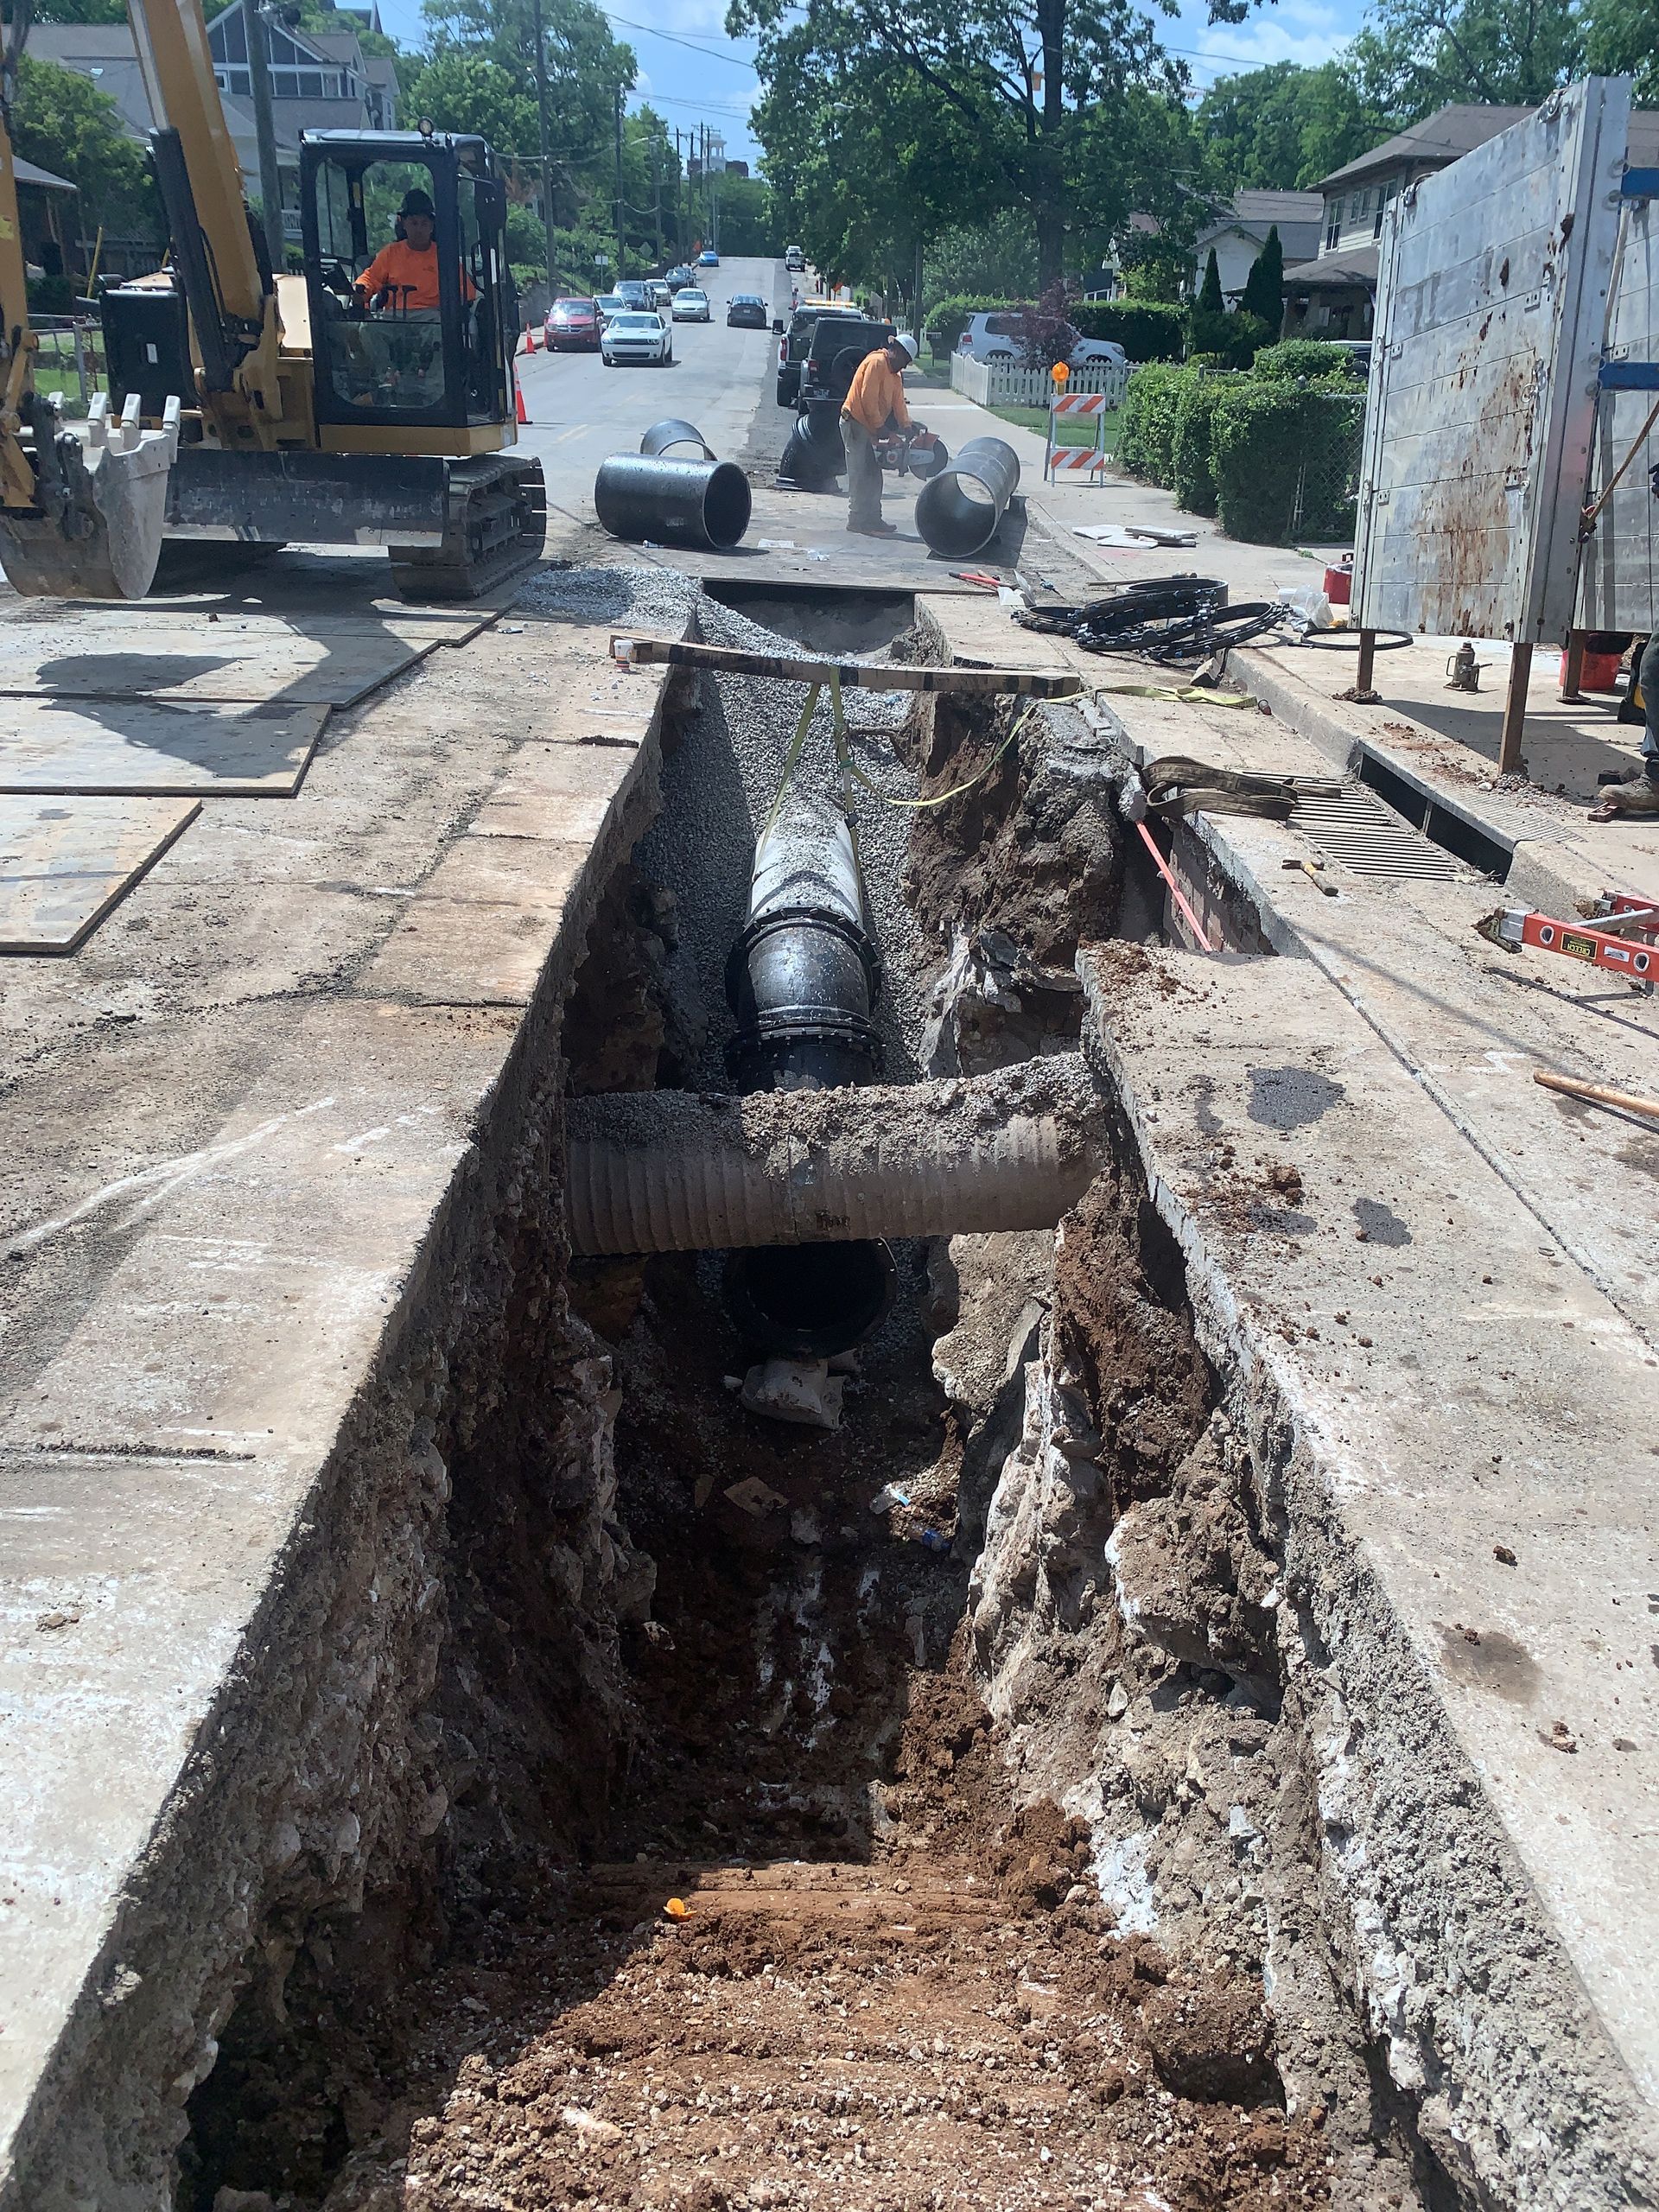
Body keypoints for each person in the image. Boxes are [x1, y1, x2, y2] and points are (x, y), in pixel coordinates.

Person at [840, 331, 918, 537]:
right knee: (859, 474)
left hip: (868, 427)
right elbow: (868, 401)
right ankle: (856, 520)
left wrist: (907, 425)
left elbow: (898, 403)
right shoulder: (876, 363)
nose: (904, 366)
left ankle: (873, 518)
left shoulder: (895, 375)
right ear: (896, 351)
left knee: (873, 475)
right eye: (904, 360)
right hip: (855, 423)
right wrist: (883, 430)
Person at [354, 188, 474, 317]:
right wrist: (359, 290)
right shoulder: (390, 253)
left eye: (424, 223)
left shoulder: (444, 256)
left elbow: (467, 292)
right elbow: (371, 278)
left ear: (432, 226)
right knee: (367, 330)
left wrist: (454, 304)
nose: (419, 229)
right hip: (394, 317)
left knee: (439, 331)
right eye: (414, 223)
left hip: (432, 316)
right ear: (404, 223)